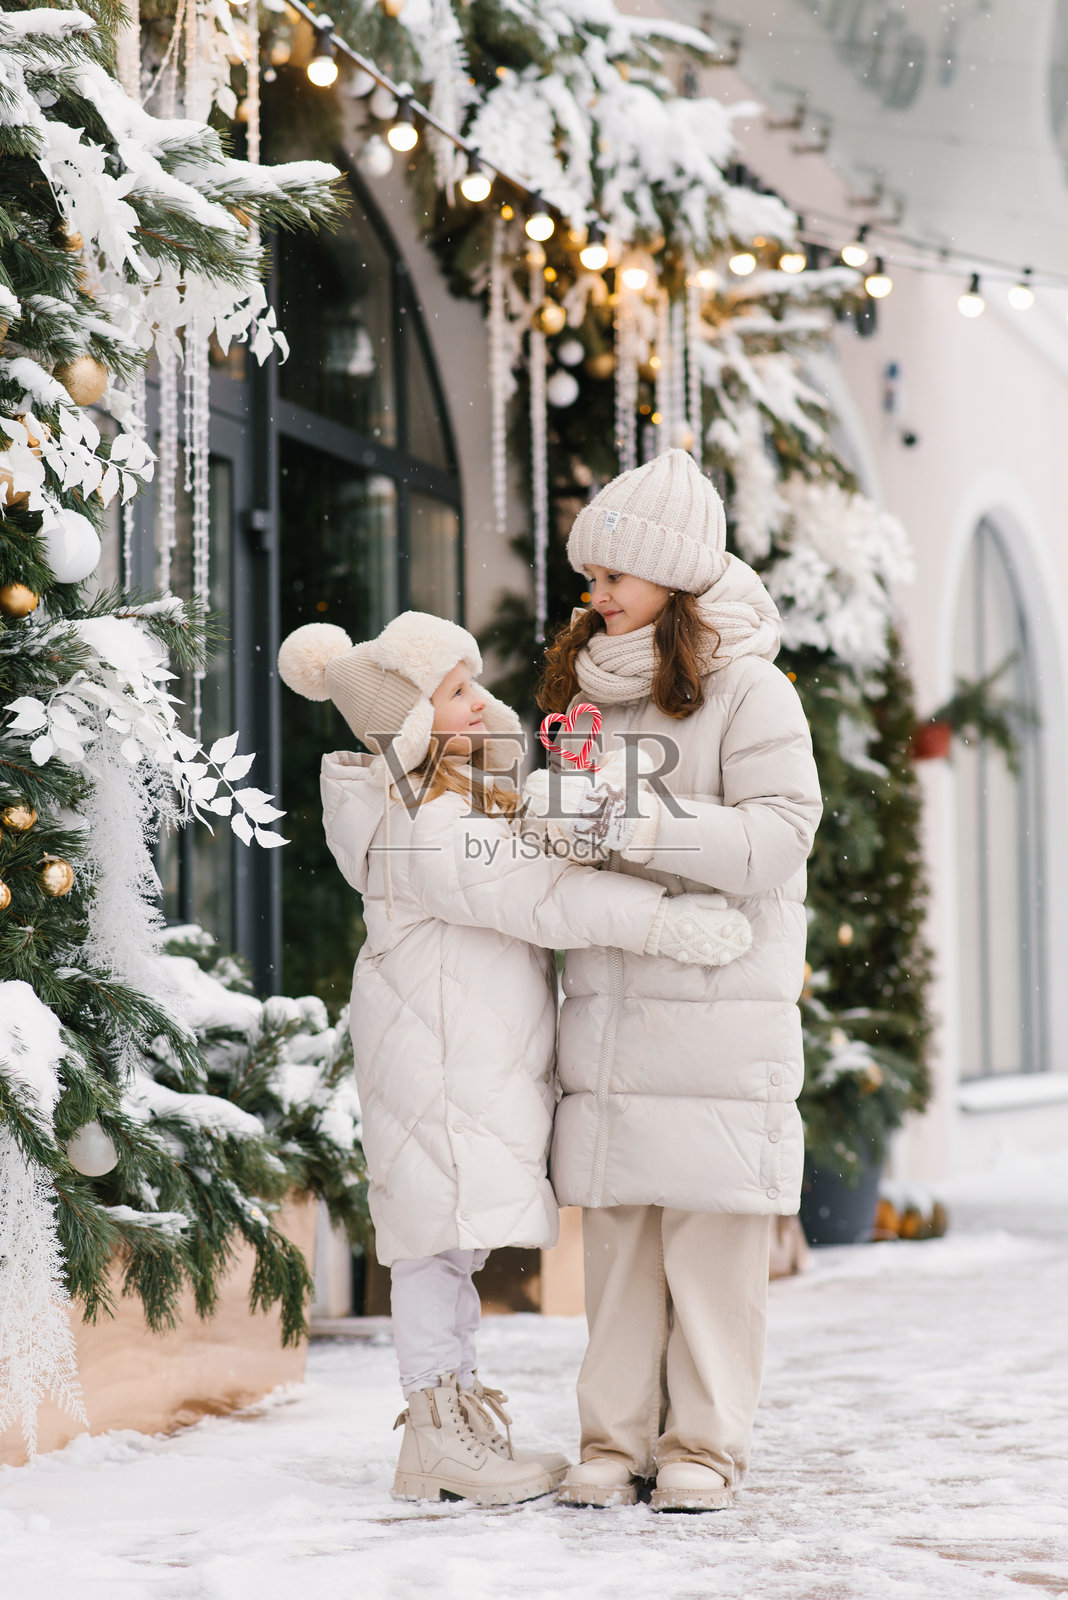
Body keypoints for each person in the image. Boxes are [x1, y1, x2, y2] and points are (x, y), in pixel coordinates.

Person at [277, 608, 753, 1508]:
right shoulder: (423, 825)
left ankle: (454, 1418)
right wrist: (665, 922)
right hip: (437, 1065)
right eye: (454, 692)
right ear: (412, 723)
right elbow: (546, 897)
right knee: (431, 1248)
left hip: (456, 1056)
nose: (478, 699)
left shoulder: (450, 799)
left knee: (442, 1247)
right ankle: (435, 1433)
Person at [524, 449, 822, 1513]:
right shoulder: (585, 691)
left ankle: (703, 1442)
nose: (595, 596)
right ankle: (610, 1440)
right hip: (611, 1011)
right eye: (591, 577)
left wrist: (634, 818)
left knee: (710, 1244)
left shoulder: (750, 691)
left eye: (615, 576)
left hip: (717, 1015)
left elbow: (779, 839)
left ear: (677, 579)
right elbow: (567, 839)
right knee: (618, 1247)